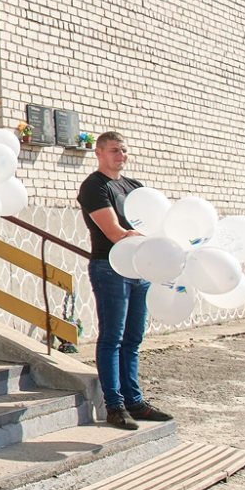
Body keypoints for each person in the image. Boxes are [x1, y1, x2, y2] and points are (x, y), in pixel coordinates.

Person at [78, 131, 172, 430]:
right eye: (115, 150)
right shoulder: (94, 186)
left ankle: (134, 402)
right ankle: (114, 406)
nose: (122, 155)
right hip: (110, 268)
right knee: (112, 338)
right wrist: (145, 236)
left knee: (133, 339)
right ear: (99, 153)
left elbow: (155, 225)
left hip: (139, 269)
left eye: (124, 150)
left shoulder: (134, 187)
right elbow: (115, 233)